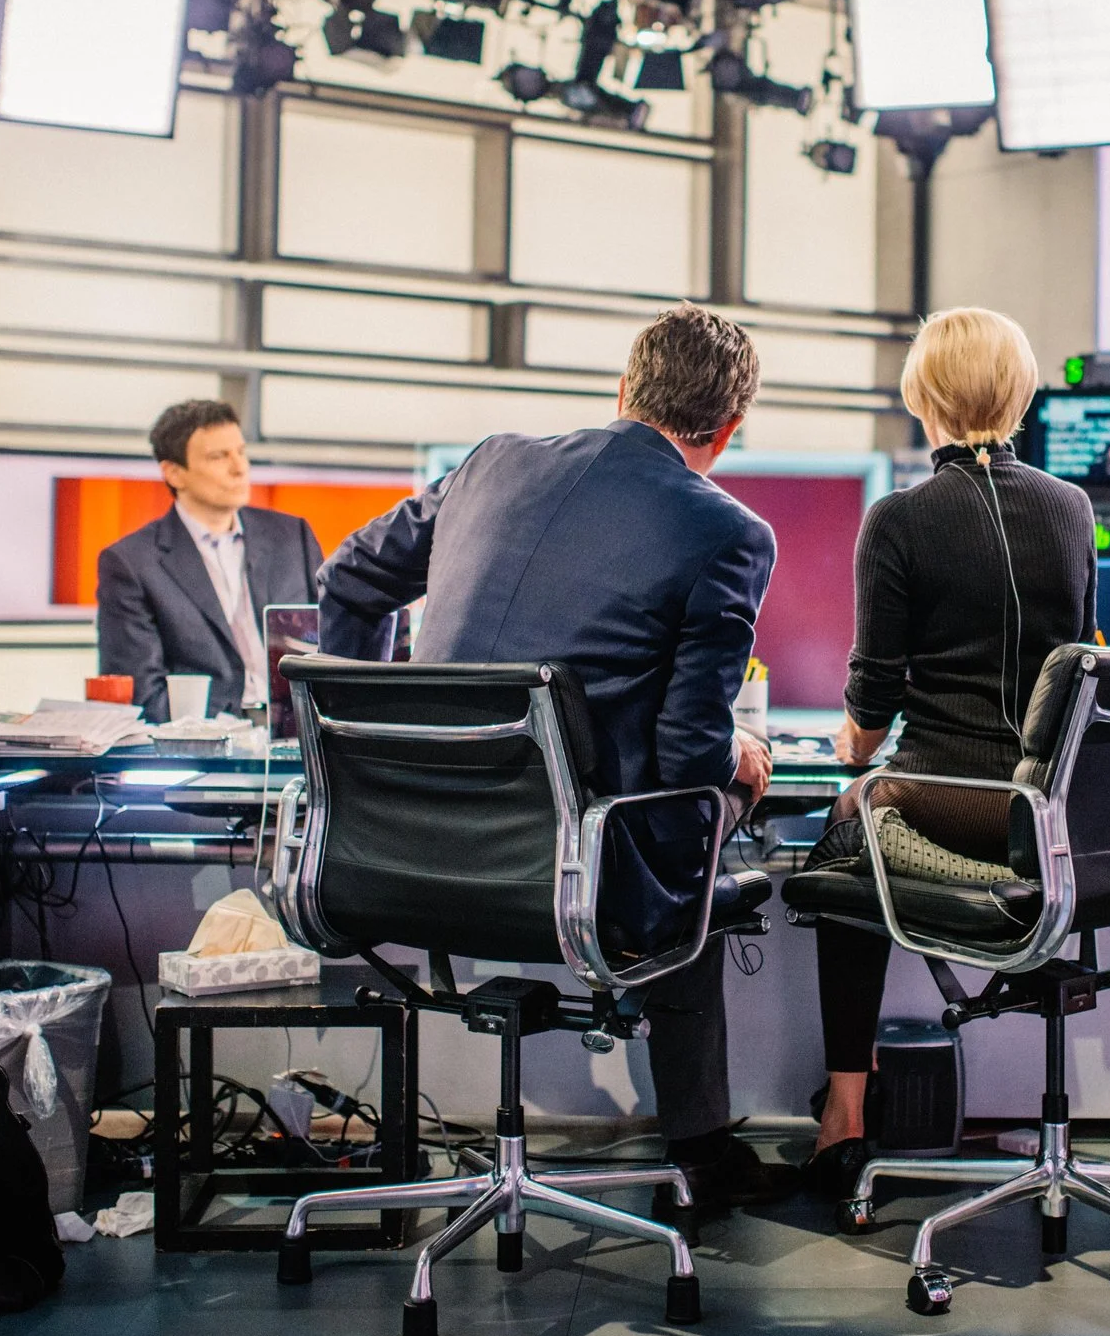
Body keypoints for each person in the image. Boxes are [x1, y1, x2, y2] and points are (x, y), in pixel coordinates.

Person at [313, 304, 787, 1214]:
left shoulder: (493, 461)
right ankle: (700, 1153)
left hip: (399, 851)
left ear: (623, 391)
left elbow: (349, 579)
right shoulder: (727, 531)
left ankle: (699, 1147)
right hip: (571, 878)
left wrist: (365, 740)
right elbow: (689, 752)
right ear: (728, 432)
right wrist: (740, 756)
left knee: (680, 818)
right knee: (703, 829)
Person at [788, 307, 1096, 1199]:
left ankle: (844, 1110)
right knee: (864, 821)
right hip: (1045, 807)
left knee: (845, 833)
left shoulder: (898, 520)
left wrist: (854, 744)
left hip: (944, 793)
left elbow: (873, 701)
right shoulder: (1072, 510)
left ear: (922, 398)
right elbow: (1073, 666)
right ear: (1021, 392)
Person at [96, 399, 324, 724]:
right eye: (219, 457)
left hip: (299, 732)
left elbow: (329, 644)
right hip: (207, 744)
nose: (239, 467)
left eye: (241, 452)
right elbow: (142, 696)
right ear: (174, 473)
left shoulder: (291, 536)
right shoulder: (131, 562)